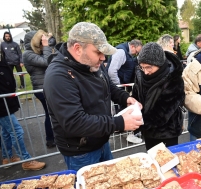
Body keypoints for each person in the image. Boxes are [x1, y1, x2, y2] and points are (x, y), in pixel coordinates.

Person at [43, 22, 143, 171]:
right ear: (77, 49)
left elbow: (107, 85)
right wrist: (119, 123)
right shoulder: (58, 77)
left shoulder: (91, 63)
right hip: (81, 151)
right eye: (98, 52)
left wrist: (125, 97)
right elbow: (74, 122)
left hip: (101, 139)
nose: (103, 58)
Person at [131, 42, 185, 150]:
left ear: (159, 64)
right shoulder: (140, 74)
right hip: (148, 131)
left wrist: (134, 123)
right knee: (152, 159)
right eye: (142, 67)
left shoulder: (174, 80)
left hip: (168, 132)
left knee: (168, 162)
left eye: (149, 67)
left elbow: (162, 113)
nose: (145, 72)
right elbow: (136, 94)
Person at [0, 43, 46, 170]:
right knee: (16, 131)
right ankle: (26, 160)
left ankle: (7, 157)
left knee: (6, 132)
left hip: (7, 102)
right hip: (2, 105)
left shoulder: (2, 59)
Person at [23, 30, 56, 148]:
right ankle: (50, 139)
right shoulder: (27, 54)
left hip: (48, 86)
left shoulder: (39, 51)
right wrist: (47, 46)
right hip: (41, 88)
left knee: (53, 113)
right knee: (50, 113)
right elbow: (47, 61)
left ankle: (54, 137)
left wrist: (50, 44)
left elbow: (54, 57)